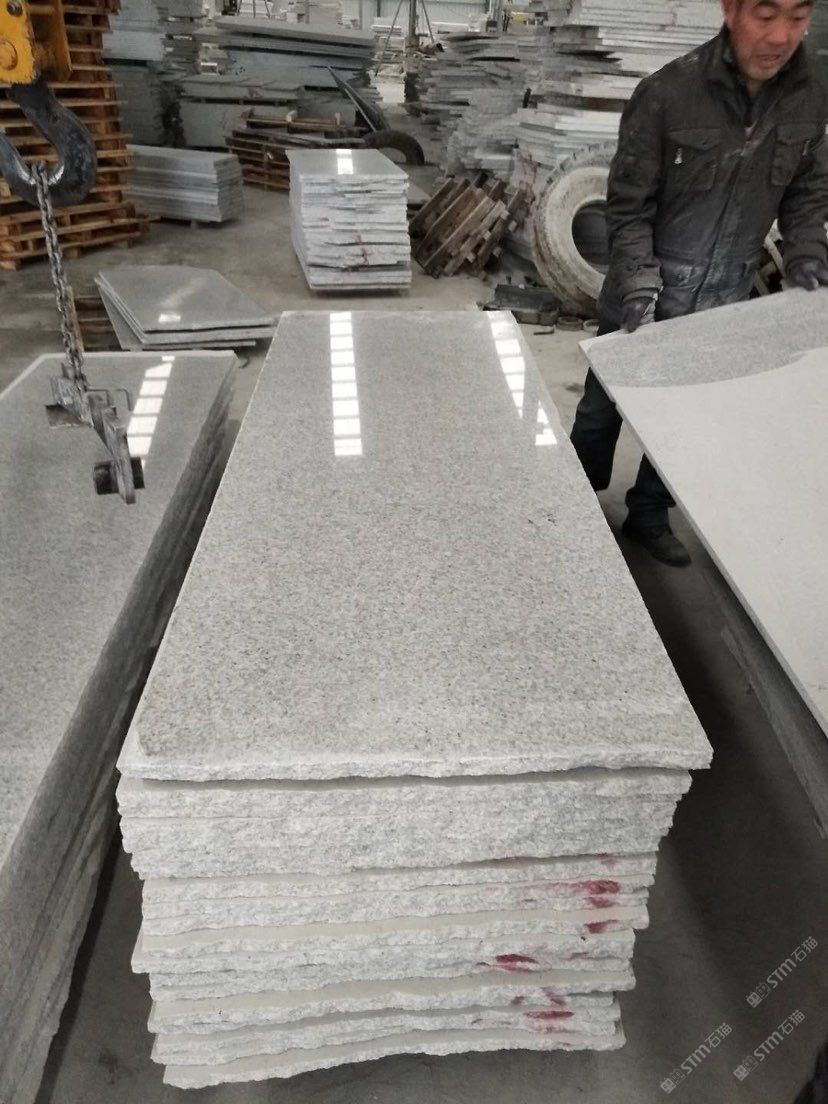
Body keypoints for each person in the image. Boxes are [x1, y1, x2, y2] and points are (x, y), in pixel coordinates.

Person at [570, 0, 828, 567]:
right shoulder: (667, 93)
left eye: (797, 17)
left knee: (687, 419)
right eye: (766, 15)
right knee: (602, 408)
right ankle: (573, 503)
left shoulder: (811, 96)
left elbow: (807, 193)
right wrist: (640, 284)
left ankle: (648, 514)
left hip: (724, 295)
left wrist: (808, 253)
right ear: (731, 9)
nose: (781, 36)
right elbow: (628, 207)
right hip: (647, 284)